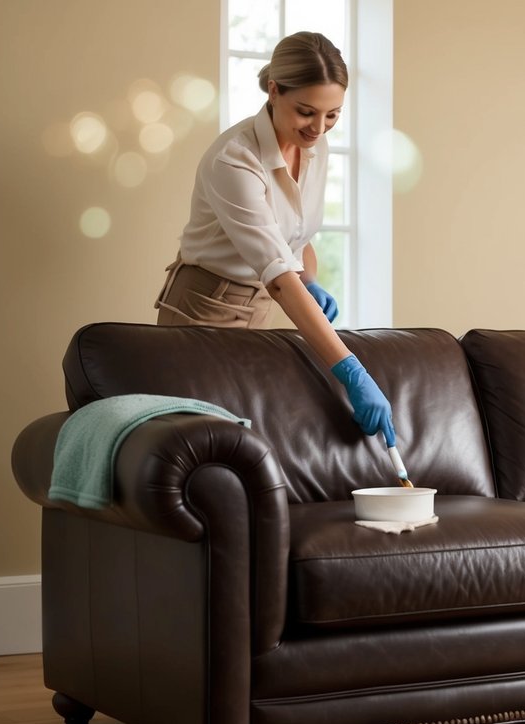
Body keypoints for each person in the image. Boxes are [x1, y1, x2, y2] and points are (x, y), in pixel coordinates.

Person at [154, 31, 394, 444]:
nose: (319, 127)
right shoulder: (235, 159)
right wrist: (351, 369)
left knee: (251, 441)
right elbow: (279, 270)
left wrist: (310, 280)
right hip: (205, 309)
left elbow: (297, 238)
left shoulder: (316, 148)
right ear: (274, 90)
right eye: (306, 112)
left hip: (263, 306)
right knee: (203, 443)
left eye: (333, 114)